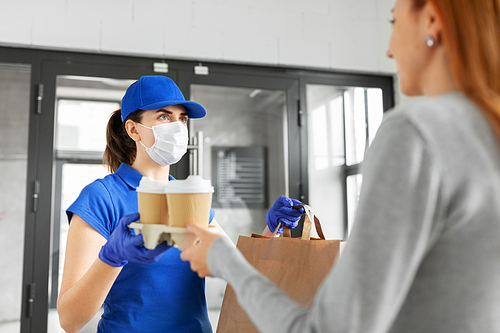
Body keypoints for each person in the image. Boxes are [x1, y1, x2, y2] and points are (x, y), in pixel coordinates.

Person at [180, 0, 500, 332]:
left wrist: (228, 262)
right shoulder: (487, 131)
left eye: (393, 22)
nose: (389, 51)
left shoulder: (415, 133)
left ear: (432, 19)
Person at [57, 75, 227, 333]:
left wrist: (272, 233)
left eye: (182, 119)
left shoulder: (190, 197)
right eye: (164, 116)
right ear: (133, 130)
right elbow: (69, 320)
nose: (178, 127)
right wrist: (112, 257)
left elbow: (234, 267)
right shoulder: (103, 197)